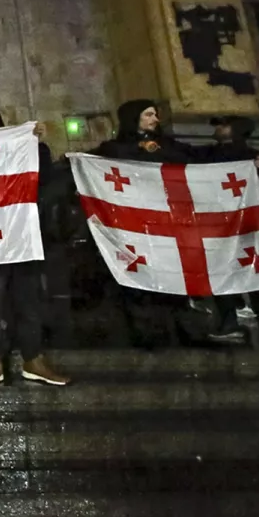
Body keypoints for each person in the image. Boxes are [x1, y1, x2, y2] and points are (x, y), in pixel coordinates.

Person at [0, 106, 70, 387]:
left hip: (21, 236)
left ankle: (33, 359)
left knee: (28, 299)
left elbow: (45, 180)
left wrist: (31, 142)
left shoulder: (21, 151)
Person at [92, 99, 197, 349]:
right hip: (132, 226)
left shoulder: (167, 146)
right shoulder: (114, 148)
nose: (155, 119)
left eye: (155, 114)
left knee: (171, 276)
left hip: (166, 225)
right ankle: (142, 331)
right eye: (148, 114)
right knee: (137, 277)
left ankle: (178, 329)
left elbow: (195, 156)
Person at [203, 116, 259, 349]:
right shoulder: (215, 155)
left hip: (246, 226)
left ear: (237, 130)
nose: (218, 128)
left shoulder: (253, 158)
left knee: (256, 274)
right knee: (227, 273)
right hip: (224, 226)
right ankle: (238, 323)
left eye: (224, 125)